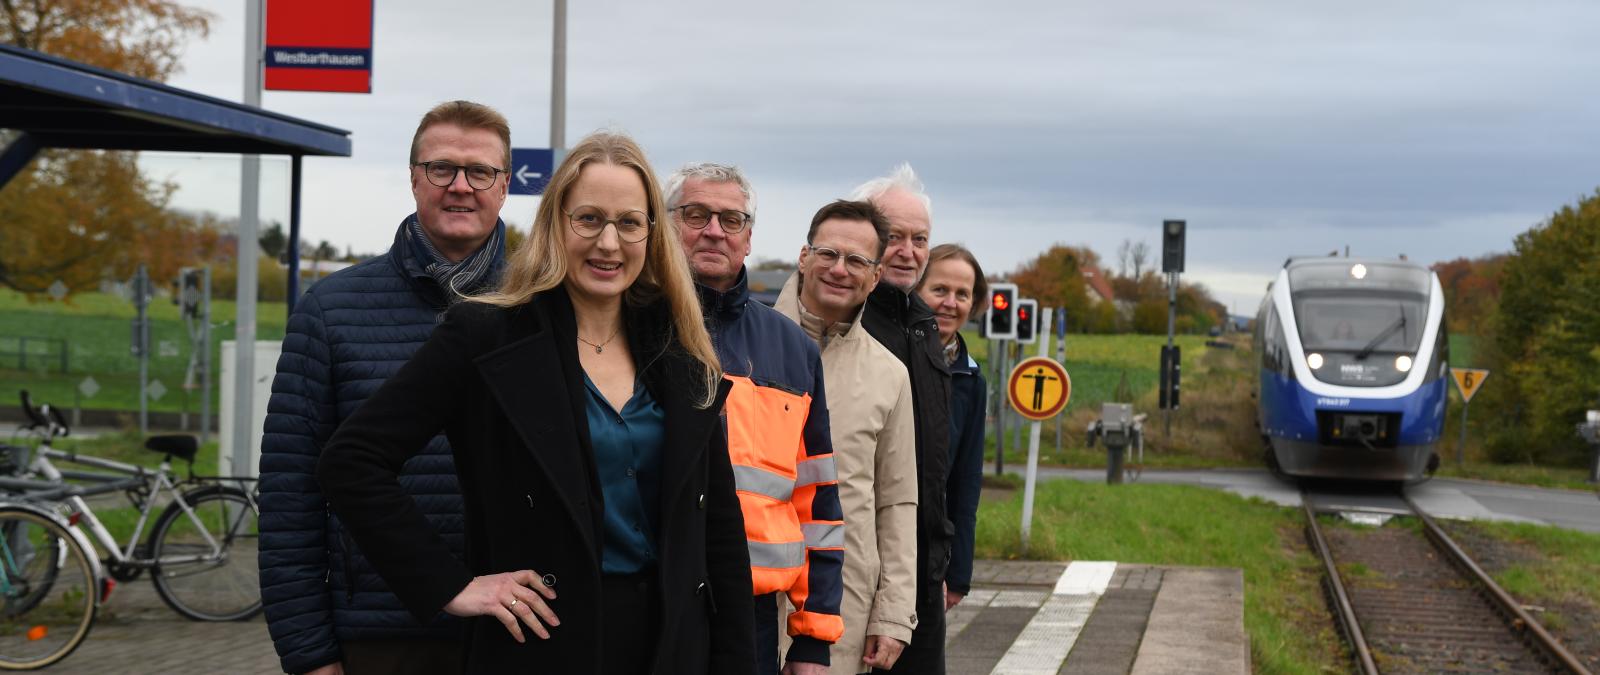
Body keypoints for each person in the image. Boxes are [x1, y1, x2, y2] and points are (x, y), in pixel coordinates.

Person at [315, 131, 755, 674]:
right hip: (542, 643)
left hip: (672, 646)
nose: (609, 243)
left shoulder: (681, 351)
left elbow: (719, 532)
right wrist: (448, 584)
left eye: (629, 223)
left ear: (651, 233)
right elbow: (352, 460)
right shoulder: (486, 336)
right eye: (589, 219)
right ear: (555, 223)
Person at [259, 100, 511, 675]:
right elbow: (287, 497)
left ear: (504, 186)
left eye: (480, 172)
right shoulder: (331, 310)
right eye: (441, 168)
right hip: (381, 633)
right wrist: (309, 654)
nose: (460, 187)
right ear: (413, 177)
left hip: (520, 629)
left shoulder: (546, 306)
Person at [666, 163, 844, 675]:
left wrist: (813, 636)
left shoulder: (791, 348)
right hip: (649, 602)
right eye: (696, 215)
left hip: (751, 614)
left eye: (731, 219)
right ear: (667, 225)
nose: (714, 231)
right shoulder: (628, 325)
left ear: (748, 239)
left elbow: (820, 503)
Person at [774, 200, 917, 675]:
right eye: (828, 253)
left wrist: (894, 613)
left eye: (857, 261)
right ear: (802, 256)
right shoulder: (737, 345)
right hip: (742, 597)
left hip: (843, 604)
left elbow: (897, 501)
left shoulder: (889, 375)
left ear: (876, 277)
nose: (840, 269)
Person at [849, 164, 953, 674]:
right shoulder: (844, 321)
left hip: (922, 575)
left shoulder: (923, 323)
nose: (908, 251)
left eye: (920, 239)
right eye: (894, 237)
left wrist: (944, 557)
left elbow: (937, 458)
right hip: (861, 572)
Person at [915, 244, 988, 612]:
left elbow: (965, 481)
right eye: (939, 290)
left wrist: (958, 573)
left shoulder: (971, 380)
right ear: (915, 290)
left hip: (932, 554)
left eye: (962, 294)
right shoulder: (890, 358)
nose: (950, 303)